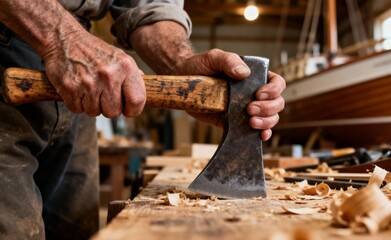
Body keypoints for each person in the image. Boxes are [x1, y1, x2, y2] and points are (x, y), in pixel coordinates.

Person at [0, 0, 285, 239]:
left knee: (76, 229)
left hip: (83, 89)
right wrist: (64, 39)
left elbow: (149, 6)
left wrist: (179, 63)